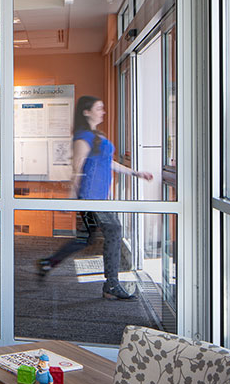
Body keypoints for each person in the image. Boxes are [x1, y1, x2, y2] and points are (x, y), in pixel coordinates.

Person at [39, 95, 153, 300]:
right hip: (91, 197)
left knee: (85, 239)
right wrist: (72, 198)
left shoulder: (96, 135)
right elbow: (77, 168)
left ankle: (49, 262)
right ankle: (111, 284)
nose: (103, 111)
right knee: (114, 230)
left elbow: (109, 163)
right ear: (86, 112)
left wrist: (136, 173)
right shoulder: (83, 137)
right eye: (99, 108)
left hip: (99, 196)